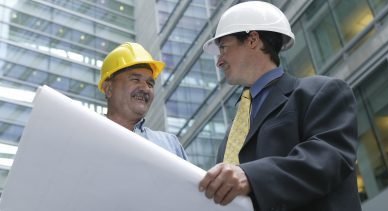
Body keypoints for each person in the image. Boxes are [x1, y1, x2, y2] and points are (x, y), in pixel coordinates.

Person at [198, 1, 361, 211]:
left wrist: (251, 176)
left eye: (223, 48)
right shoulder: (231, 136)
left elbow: (328, 159)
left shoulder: (320, 92)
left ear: (252, 40)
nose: (219, 61)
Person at [98, 42, 188, 160]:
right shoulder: (85, 134)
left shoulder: (171, 145)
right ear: (109, 89)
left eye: (150, 84)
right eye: (135, 79)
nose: (145, 88)